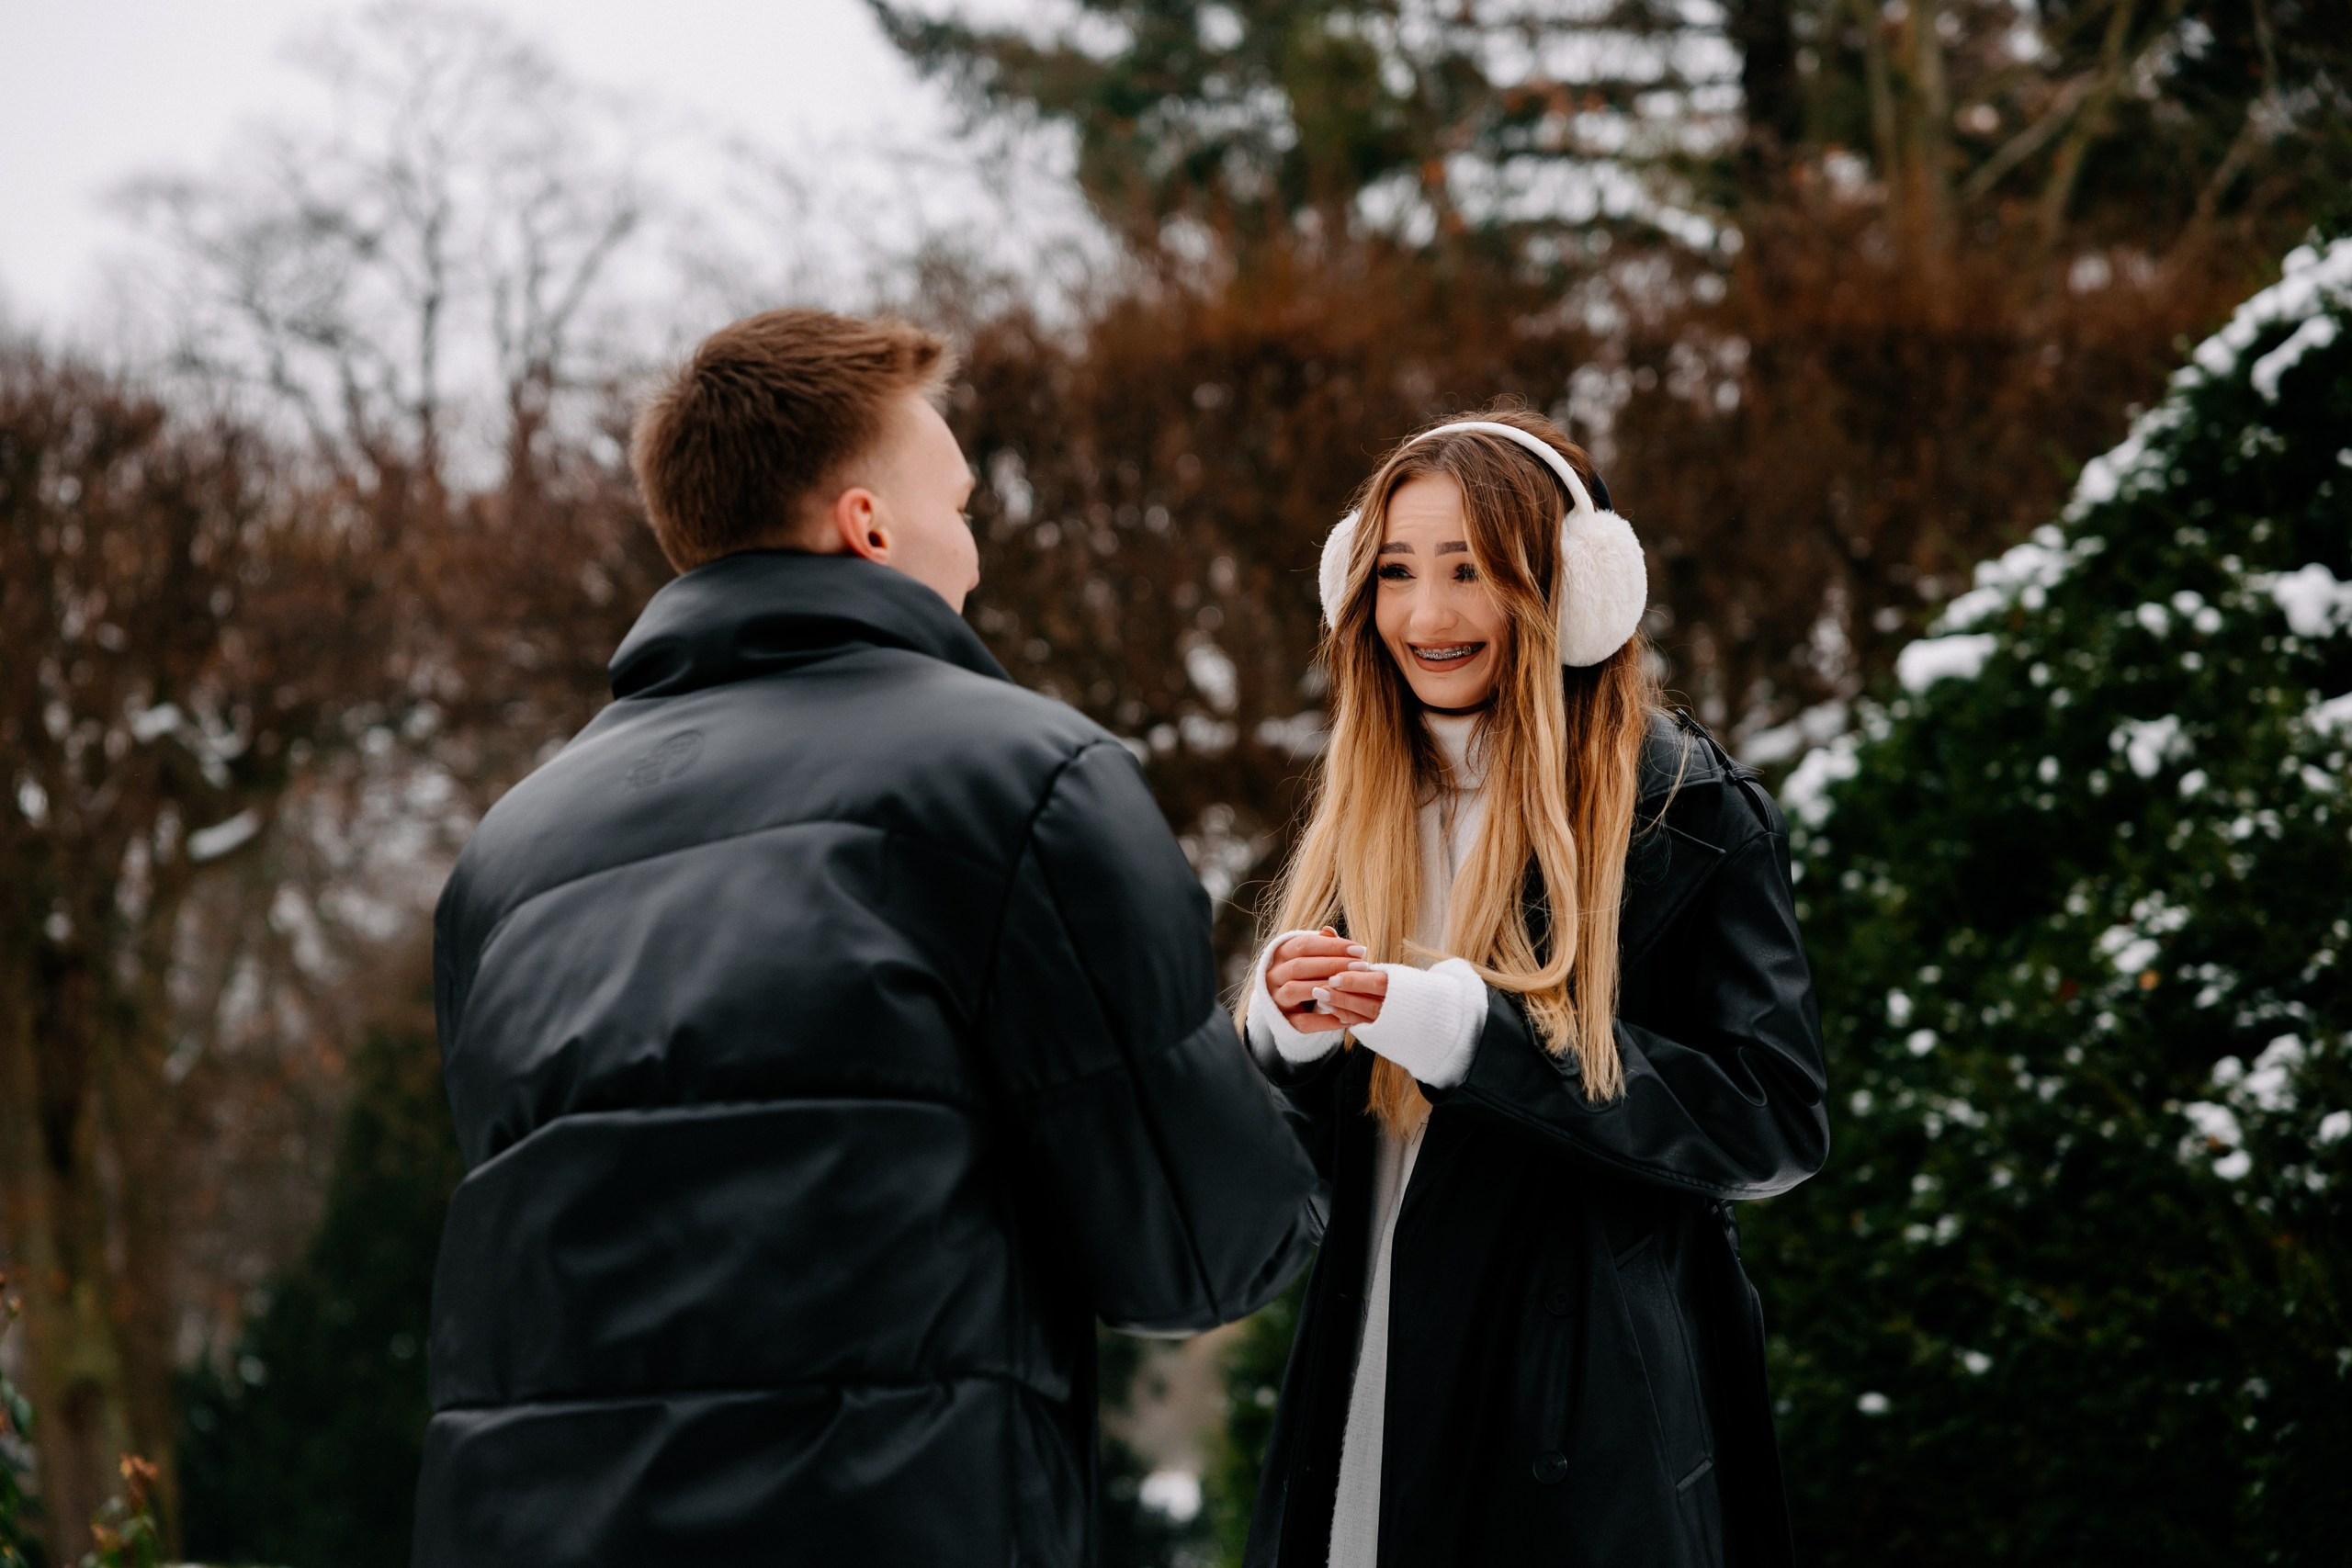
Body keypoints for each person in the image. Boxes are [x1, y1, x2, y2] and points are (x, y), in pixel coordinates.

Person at [414, 309, 1319, 1566]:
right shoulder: (1027, 780)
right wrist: (1276, 1066)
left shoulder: (505, 859)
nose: (975, 553)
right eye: (960, 504)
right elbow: (1197, 1250)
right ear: (869, 524)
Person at [1238, 410, 1830, 1568]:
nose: (1426, 616)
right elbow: (1296, 1193)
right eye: (1396, 572)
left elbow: (1772, 1119)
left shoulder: (1686, 817)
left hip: (1583, 1424)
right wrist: (1283, 1046)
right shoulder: (1361, 812)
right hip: (1364, 1383)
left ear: (1576, 590)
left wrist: (1485, 1039)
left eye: (1472, 571)